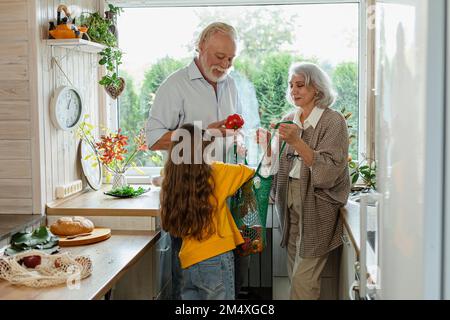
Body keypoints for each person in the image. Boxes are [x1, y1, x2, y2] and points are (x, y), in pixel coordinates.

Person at [145, 22, 246, 299]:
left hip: (225, 196)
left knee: (226, 277)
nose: (225, 64)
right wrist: (204, 133)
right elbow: (153, 138)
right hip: (190, 196)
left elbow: (235, 130)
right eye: (219, 56)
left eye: (230, 58)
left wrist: (239, 140)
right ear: (200, 48)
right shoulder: (175, 85)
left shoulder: (231, 85)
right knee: (190, 283)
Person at [257, 62, 350, 300]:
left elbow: (329, 171)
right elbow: (276, 165)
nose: (293, 91)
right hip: (288, 199)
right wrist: (266, 146)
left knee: (302, 279)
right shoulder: (290, 118)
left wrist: (297, 141)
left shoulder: (333, 121)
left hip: (318, 204)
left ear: (317, 89)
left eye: (300, 85)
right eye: (291, 86)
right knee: (294, 272)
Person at [160, 123, 255, 300]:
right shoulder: (217, 172)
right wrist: (241, 152)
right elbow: (250, 172)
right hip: (216, 258)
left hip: (188, 260)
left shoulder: (172, 178)